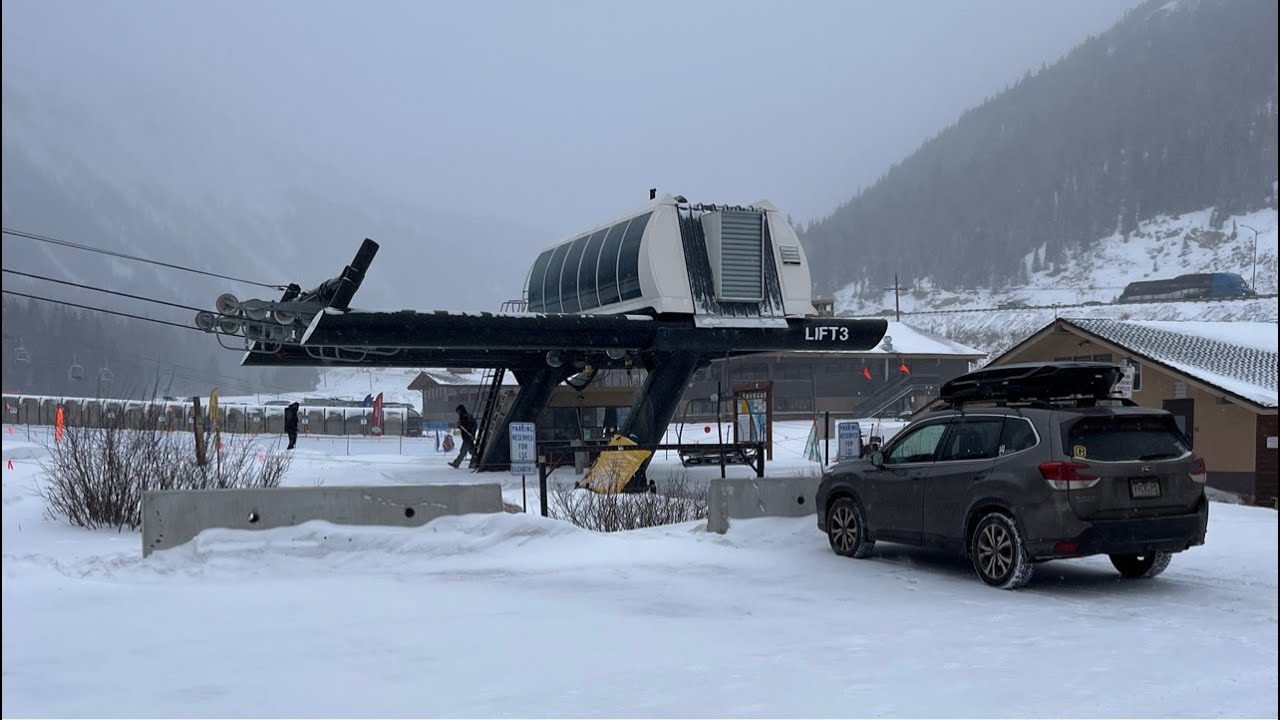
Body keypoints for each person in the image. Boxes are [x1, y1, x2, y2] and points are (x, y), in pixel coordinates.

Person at [448, 404, 478, 468]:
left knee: (465, 451)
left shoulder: (466, 417)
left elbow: (469, 426)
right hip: (467, 437)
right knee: (470, 450)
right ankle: (475, 462)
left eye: (458, 411)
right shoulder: (463, 417)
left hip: (468, 437)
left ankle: (457, 463)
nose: (458, 413)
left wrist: (472, 433)